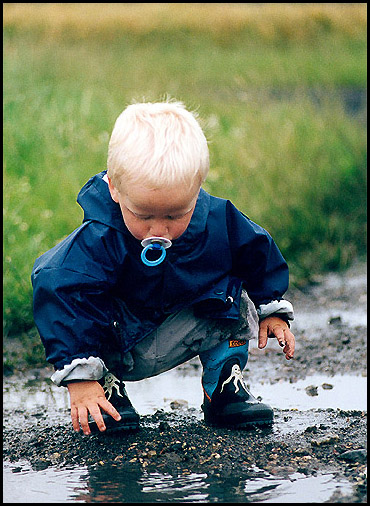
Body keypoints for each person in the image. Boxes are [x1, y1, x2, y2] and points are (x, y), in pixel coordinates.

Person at [31, 100, 295, 436]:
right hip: (117, 343)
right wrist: (80, 379)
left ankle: (222, 384)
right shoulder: (99, 239)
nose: (159, 230)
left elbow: (256, 250)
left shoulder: (217, 221)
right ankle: (104, 390)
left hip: (180, 328)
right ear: (114, 188)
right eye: (143, 216)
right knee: (82, 303)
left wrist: (271, 308)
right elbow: (56, 286)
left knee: (232, 292)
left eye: (174, 215)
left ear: (195, 193)